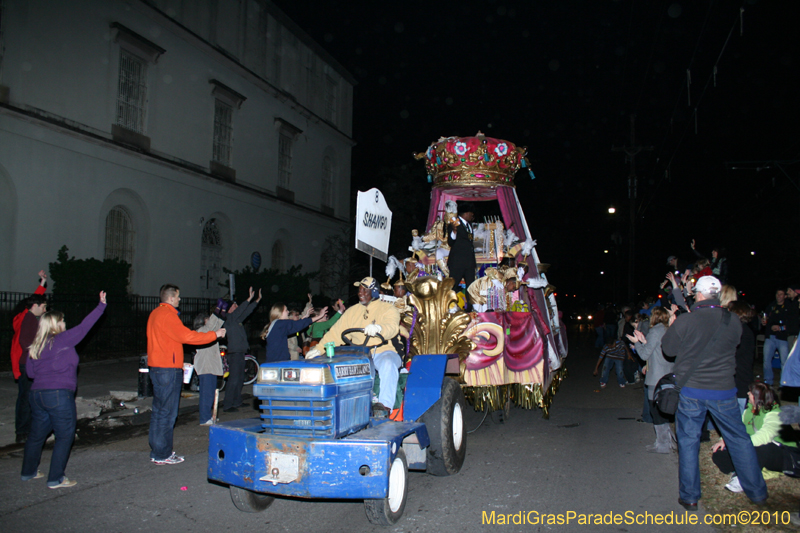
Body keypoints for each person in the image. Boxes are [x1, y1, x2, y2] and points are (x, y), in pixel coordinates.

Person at [661, 276, 768, 510]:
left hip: (691, 391)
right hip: (723, 391)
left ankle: (689, 497)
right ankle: (757, 492)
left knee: (688, 442)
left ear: (698, 295)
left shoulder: (687, 321)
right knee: (738, 439)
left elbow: (668, 350)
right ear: (717, 295)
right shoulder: (734, 322)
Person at [21, 291, 106, 488]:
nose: (65, 323)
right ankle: (56, 478)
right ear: (55, 324)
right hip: (58, 394)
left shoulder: (36, 346)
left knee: (36, 435)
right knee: (65, 435)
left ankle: (28, 472)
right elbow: (85, 326)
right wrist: (101, 306)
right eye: (62, 321)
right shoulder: (63, 340)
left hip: (37, 395)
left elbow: (31, 374)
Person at [146, 284, 225, 465]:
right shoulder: (168, 315)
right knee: (168, 413)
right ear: (171, 298)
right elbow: (188, 337)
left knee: (159, 411)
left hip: (157, 367)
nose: (180, 299)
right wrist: (215, 334)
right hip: (167, 370)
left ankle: (157, 450)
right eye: (178, 296)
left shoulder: (155, 314)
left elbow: (166, 342)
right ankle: (163, 453)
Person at [308, 277, 401, 416]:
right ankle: (334, 410)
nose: (360, 293)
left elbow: (392, 327)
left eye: (365, 290)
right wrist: (318, 349)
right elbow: (335, 332)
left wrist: (379, 328)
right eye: (359, 290)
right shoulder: (352, 311)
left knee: (388, 363)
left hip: (382, 351)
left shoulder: (388, 308)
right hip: (358, 353)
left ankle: (385, 407)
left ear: (374, 292)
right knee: (335, 367)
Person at [711, 382, 797, 492]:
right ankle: (744, 467)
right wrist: (724, 440)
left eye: (750, 392)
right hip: (758, 449)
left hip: (784, 454)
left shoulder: (775, 414)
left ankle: (742, 479)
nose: (747, 393)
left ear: (758, 397)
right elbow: (738, 429)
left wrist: (736, 443)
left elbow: (763, 438)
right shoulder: (749, 411)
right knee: (719, 454)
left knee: (761, 448)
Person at [627, 307, 674, 453]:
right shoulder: (669, 329)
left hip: (657, 376)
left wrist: (637, 343)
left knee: (656, 410)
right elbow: (657, 349)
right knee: (663, 409)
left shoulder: (656, 330)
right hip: (668, 373)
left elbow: (645, 354)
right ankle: (665, 441)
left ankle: (663, 444)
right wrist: (643, 340)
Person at [11, 270, 47, 444]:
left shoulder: (28, 316)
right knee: (25, 397)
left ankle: (28, 428)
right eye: (43, 306)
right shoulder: (24, 318)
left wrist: (42, 284)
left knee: (30, 397)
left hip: (28, 363)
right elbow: (26, 342)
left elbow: (34, 301)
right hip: (25, 363)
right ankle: (22, 431)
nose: (45, 309)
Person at [222, 287, 261, 412]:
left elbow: (246, 312)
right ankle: (228, 404)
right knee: (233, 380)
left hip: (240, 352)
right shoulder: (229, 319)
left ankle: (237, 401)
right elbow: (240, 311)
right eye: (234, 305)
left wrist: (256, 301)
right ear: (229, 309)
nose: (236, 306)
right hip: (234, 353)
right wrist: (248, 299)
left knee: (239, 379)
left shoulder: (237, 320)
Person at [261, 302, 328, 362]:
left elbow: (296, 325)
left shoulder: (277, 324)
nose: (288, 312)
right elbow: (296, 325)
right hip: (277, 362)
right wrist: (319, 316)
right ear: (280, 313)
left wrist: (305, 317)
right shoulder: (280, 324)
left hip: (276, 361)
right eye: (286, 310)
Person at [192, 309, 225, 426]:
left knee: (210, 393)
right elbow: (211, 326)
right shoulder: (201, 331)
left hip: (210, 366)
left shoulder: (208, 332)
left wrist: (222, 314)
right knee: (206, 394)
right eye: (208, 319)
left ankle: (209, 416)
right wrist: (216, 312)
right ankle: (204, 418)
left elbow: (215, 326)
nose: (210, 321)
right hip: (205, 367)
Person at [761, 289, 797, 386]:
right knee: (766, 360)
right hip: (770, 336)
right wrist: (764, 321)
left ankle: (783, 383)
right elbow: (765, 316)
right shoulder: (772, 306)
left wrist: (781, 327)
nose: (779, 296)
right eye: (777, 294)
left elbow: (792, 322)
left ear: (785, 296)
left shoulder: (789, 307)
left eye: (781, 294)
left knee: (784, 361)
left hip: (783, 338)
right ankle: (768, 381)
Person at [447, 202, 477, 304]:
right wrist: (454, 232)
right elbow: (450, 242)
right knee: (453, 286)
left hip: (469, 263)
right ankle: (451, 307)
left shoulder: (469, 225)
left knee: (471, 287)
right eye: (471, 214)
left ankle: (470, 308)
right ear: (466, 213)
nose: (472, 216)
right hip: (458, 262)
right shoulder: (455, 223)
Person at [729, 301, 756, 415]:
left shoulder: (743, 332)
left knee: (739, 415)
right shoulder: (740, 330)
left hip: (741, 378)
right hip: (737, 378)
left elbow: (734, 353)